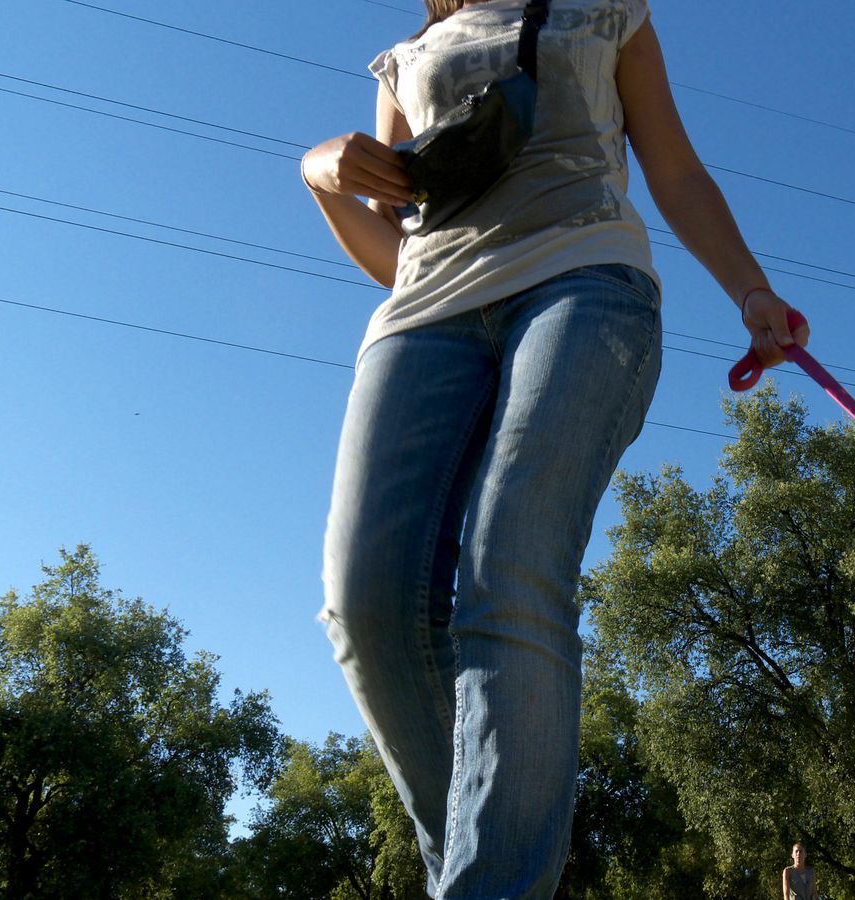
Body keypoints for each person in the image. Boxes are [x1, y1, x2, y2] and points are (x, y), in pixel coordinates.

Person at [302, 1, 809, 896]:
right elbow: (396, 249)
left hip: (584, 279)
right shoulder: (405, 58)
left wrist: (752, 290)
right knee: (364, 602)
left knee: (509, 565)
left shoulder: (608, 9)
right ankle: (477, 863)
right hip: (426, 313)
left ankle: (492, 882)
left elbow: (677, 170)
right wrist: (320, 179)